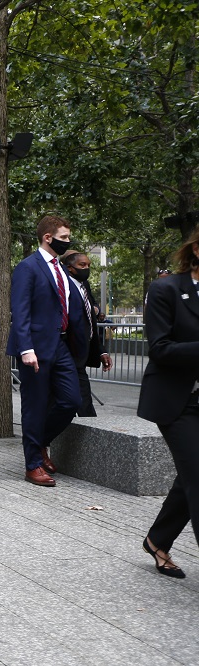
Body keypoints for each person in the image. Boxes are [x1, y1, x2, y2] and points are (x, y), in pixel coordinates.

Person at [6, 215, 88, 487]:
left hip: (61, 345)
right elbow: (21, 311)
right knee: (35, 407)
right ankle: (33, 465)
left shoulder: (60, 269)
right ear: (48, 238)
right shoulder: (28, 267)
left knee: (71, 400)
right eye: (64, 237)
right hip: (35, 349)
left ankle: (40, 444)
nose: (69, 242)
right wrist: (26, 348)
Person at [139, 228, 199, 578]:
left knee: (190, 476)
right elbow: (159, 348)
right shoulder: (165, 290)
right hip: (179, 401)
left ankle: (158, 539)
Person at [62, 251, 112, 416]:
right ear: (70, 268)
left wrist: (100, 350)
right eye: (82, 265)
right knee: (71, 401)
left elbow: (90, 321)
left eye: (88, 265)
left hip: (81, 353)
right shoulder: (62, 286)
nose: (86, 268)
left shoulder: (84, 286)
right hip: (66, 351)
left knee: (83, 401)